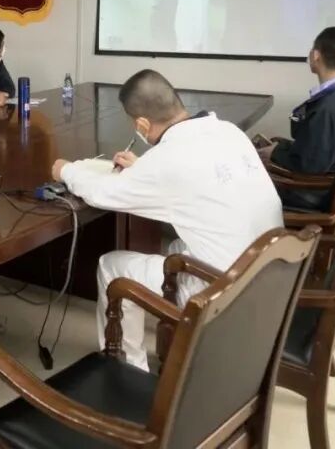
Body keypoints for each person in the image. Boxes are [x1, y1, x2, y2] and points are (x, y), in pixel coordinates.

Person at [51, 70, 282, 371]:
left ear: (142, 124)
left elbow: (103, 193)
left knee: (112, 266)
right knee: (175, 247)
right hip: (270, 271)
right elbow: (193, 175)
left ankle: (127, 369)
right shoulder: (228, 131)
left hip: (223, 289)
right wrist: (142, 168)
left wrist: (65, 170)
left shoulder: (167, 159)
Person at [258, 27, 335, 210]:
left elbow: (310, 166)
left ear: (315, 55)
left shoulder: (327, 111)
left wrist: (275, 153)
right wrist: (280, 147)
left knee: (245, 178)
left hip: (317, 191)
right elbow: (323, 148)